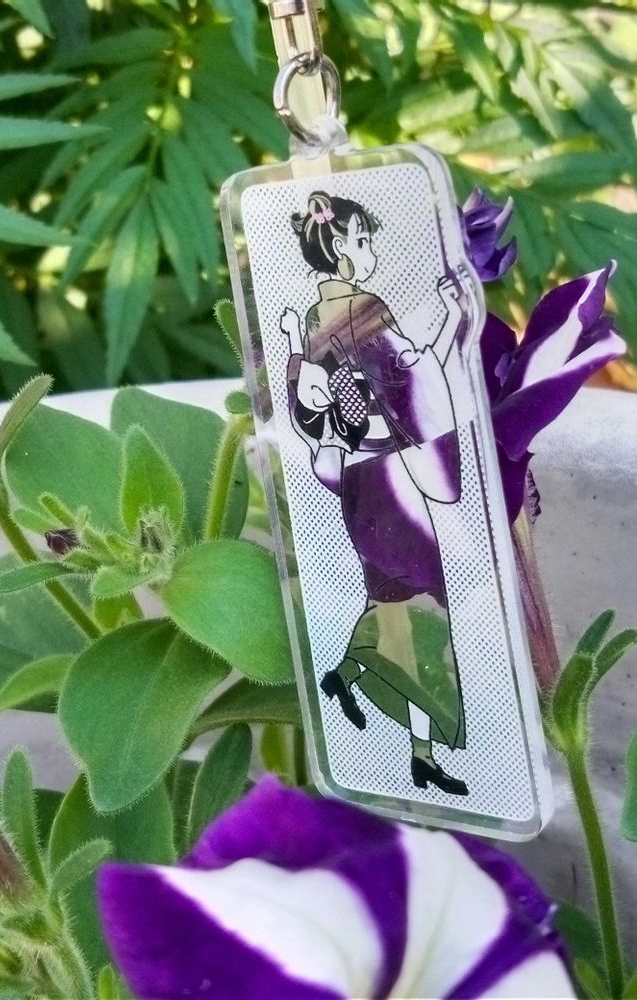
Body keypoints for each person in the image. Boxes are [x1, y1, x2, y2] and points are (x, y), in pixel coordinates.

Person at [282, 190, 469, 796]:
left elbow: (308, 406)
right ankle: (420, 750)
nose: (368, 252)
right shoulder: (367, 307)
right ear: (338, 246)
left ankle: (355, 684)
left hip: (355, 477)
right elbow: (411, 374)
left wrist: (295, 357)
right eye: (362, 240)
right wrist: (452, 317)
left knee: (392, 607)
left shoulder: (311, 319)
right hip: (392, 475)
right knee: (416, 609)